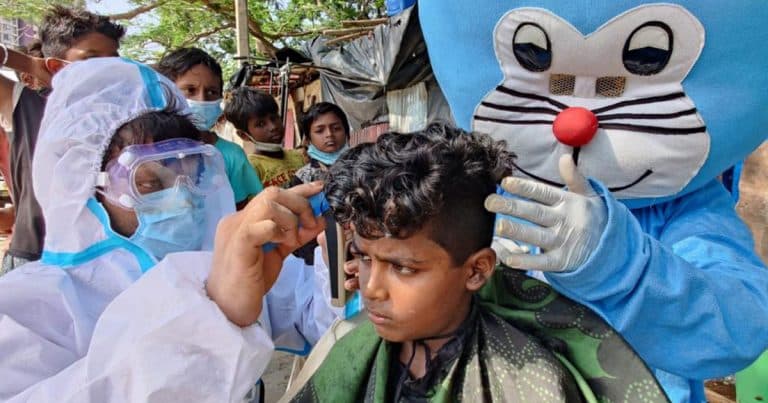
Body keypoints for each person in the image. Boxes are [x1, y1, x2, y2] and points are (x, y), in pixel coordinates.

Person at [0, 57, 336, 402]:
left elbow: (314, 311)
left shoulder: (219, 261)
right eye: (147, 183)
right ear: (87, 189)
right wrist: (216, 313)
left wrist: (339, 264)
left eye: (193, 176)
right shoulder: (30, 309)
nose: (181, 198)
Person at [285, 123, 667, 402]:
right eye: (364, 258)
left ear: (477, 270)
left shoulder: (531, 382)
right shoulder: (346, 345)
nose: (370, 288)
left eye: (403, 268)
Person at [0, 6, 124, 274]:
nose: (106, 69)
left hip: (100, 257)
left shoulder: (124, 115)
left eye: (113, 59)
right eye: (91, 60)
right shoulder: (26, 104)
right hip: (34, 257)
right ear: (57, 66)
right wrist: (31, 64)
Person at [155, 47, 264, 210]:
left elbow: (239, 210)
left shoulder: (231, 155)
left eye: (212, 92)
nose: (202, 100)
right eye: (190, 90)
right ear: (166, 92)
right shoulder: (152, 152)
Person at [288, 102, 350, 264]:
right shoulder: (303, 178)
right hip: (317, 256)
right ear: (308, 139)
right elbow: (298, 225)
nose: (329, 134)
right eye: (319, 130)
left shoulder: (361, 168)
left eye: (336, 128)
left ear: (347, 132)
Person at [224, 87, 305, 188]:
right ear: (244, 135)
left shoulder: (298, 157)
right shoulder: (250, 169)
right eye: (261, 124)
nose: (273, 127)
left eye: (274, 118)